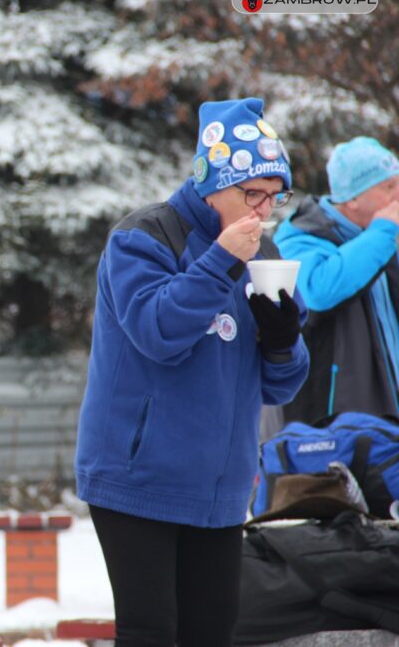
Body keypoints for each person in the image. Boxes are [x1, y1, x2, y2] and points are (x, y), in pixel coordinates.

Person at [74, 97, 310, 647]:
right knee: (152, 631)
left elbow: (281, 384)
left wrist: (282, 340)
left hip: (222, 487)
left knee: (213, 631)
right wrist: (219, 261)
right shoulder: (143, 239)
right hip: (138, 480)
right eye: (253, 194)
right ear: (212, 182)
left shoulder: (262, 250)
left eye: (276, 197)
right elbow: (158, 334)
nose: (264, 211)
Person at [274, 136, 399, 422]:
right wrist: (382, 233)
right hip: (329, 425)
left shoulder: (380, 236)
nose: (398, 195)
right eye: (388, 187)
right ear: (352, 198)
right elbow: (317, 293)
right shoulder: (301, 236)